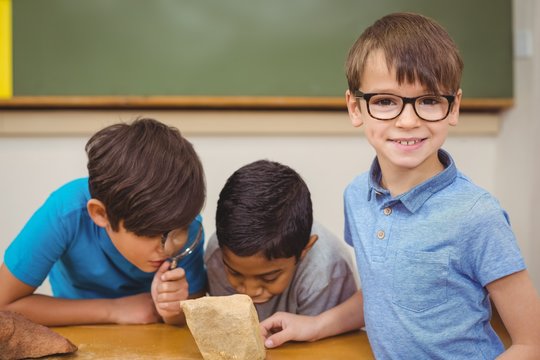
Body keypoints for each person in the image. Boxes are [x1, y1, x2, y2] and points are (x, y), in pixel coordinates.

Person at [260, 12, 540, 358]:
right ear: (355, 107)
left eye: (429, 100)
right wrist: (315, 325)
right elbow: (384, 294)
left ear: (454, 107)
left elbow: (531, 343)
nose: (408, 120)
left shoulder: (477, 216)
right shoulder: (357, 196)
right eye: (386, 101)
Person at [0, 118, 207, 326]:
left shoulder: (185, 219)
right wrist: (113, 310)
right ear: (100, 214)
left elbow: (192, 309)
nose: (169, 248)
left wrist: (172, 312)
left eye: (180, 230)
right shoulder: (65, 213)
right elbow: (4, 305)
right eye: (151, 234)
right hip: (78, 331)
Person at [205, 159, 358, 321]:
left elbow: (329, 344)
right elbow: (229, 326)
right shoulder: (218, 255)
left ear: (304, 250)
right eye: (235, 273)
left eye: (269, 278)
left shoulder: (325, 271)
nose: (250, 291)